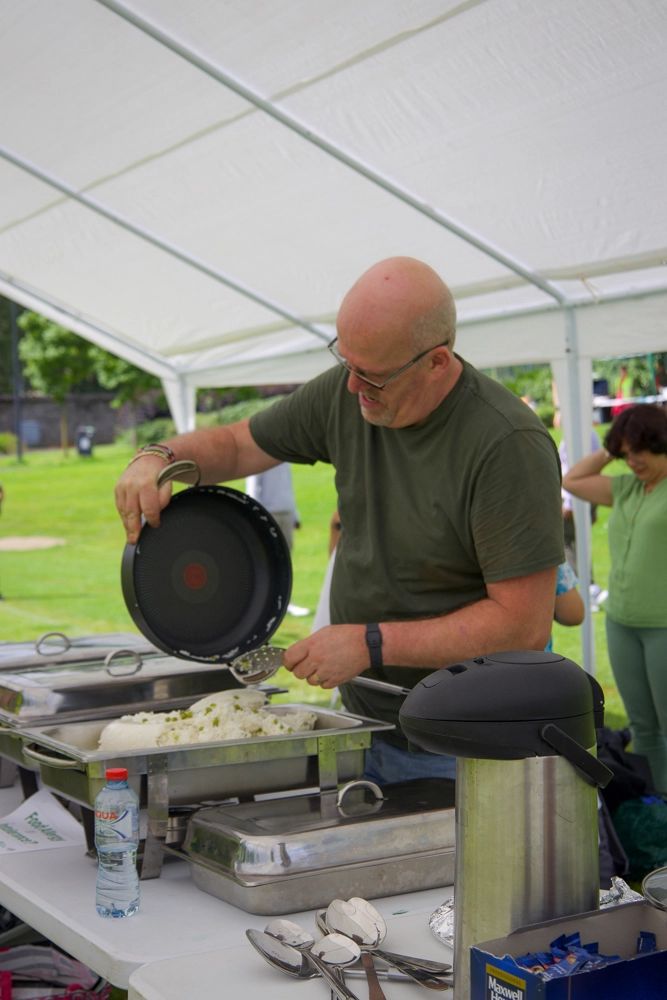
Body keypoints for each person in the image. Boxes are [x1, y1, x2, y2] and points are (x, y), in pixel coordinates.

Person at [115, 257, 564, 783]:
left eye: (371, 374)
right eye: (343, 359)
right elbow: (238, 445)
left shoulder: (507, 444)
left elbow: (523, 625)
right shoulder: (349, 393)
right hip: (366, 724)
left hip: (470, 747)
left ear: (437, 362)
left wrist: (370, 643)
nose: (352, 387)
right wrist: (159, 456)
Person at [563, 404, 667, 794]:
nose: (633, 460)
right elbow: (573, 480)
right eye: (626, 454)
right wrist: (612, 446)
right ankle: (658, 810)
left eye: (640, 450)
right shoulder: (625, 487)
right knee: (642, 726)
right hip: (621, 623)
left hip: (663, 627)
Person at [245, 463, 300, 550]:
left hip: (287, 512)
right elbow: (253, 490)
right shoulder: (258, 460)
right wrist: (257, 515)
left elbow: (289, 487)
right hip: (269, 514)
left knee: (287, 550)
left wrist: (295, 516)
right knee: (270, 549)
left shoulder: (285, 461)